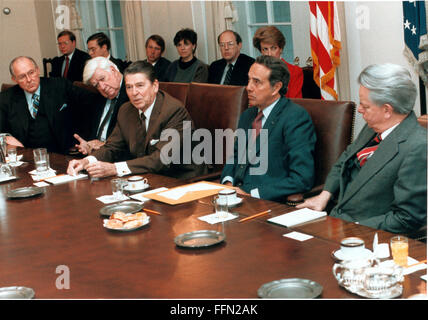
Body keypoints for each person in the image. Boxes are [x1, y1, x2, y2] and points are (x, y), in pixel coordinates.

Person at [296, 63, 427, 234]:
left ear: (387, 110)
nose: (359, 110)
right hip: (334, 219)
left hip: (365, 237)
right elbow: (344, 159)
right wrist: (324, 195)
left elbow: (406, 218)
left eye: (365, 106)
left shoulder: (418, 147)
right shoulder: (373, 126)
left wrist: (349, 230)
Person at [67, 61, 206, 180]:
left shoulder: (174, 111)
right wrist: (86, 161)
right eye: (129, 87)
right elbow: (112, 147)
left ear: (155, 86)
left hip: (182, 179)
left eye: (140, 85)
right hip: (147, 178)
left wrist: (114, 168)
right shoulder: (126, 110)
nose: (134, 93)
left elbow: (160, 159)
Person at [220, 55, 316, 201]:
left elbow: (301, 179)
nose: (248, 87)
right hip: (235, 197)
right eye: (249, 80)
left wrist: (252, 195)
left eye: (256, 82)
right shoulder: (248, 115)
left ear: (276, 87)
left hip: (266, 202)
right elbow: (235, 155)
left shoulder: (295, 117)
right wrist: (228, 183)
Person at [0, 56, 95, 153]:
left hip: (63, 153)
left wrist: (87, 138)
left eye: (31, 73)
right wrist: (7, 138)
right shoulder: (6, 98)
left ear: (38, 70)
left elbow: (92, 102)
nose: (29, 79)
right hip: (27, 157)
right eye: (22, 76)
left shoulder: (60, 86)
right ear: (14, 79)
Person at [72, 57, 129, 154]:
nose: (102, 87)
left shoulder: (132, 93)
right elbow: (90, 132)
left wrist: (105, 145)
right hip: (95, 156)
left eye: (102, 79)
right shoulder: (97, 98)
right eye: (96, 85)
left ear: (113, 70)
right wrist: (87, 144)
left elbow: (132, 140)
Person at [253, 26, 303, 98]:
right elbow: (253, 102)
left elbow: (295, 103)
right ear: (261, 51)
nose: (269, 54)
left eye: (273, 48)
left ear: (281, 49)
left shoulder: (294, 71)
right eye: (265, 49)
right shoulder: (255, 72)